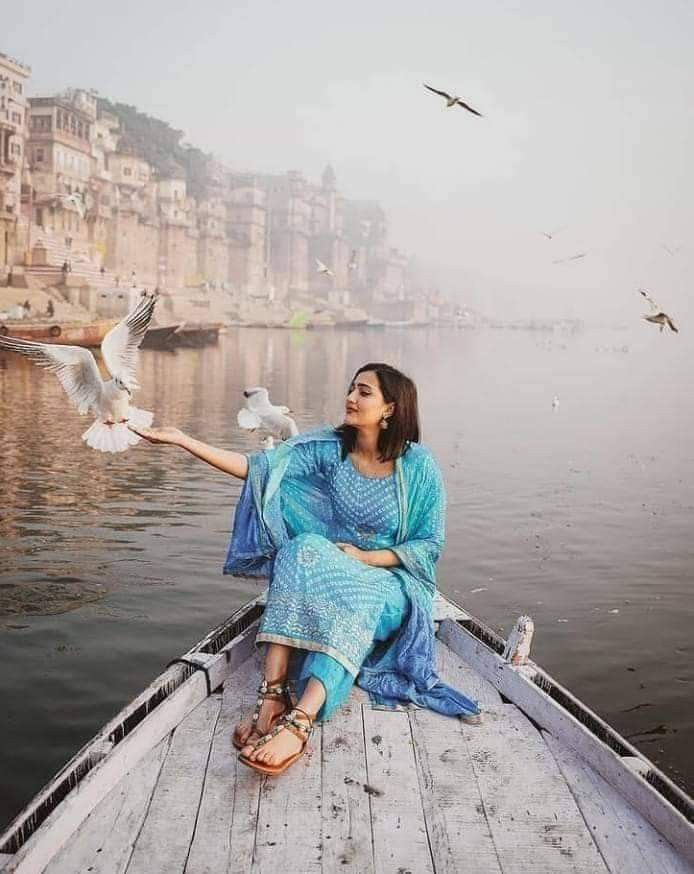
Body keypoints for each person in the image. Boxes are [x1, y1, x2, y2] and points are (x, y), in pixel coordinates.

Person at [130, 363, 480, 776]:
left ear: (390, 408)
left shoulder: (418, 466)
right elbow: (259, 469)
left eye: (364, 392)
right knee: (299, 548)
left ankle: (300, 723)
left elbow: (428, 544)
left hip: (392, 582)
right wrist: (183, 441)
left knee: (356, 596)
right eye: (351, 389)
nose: (351, 397)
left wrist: (366, 558)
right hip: (334, 570)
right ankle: (274, 695)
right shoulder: (331, 449)